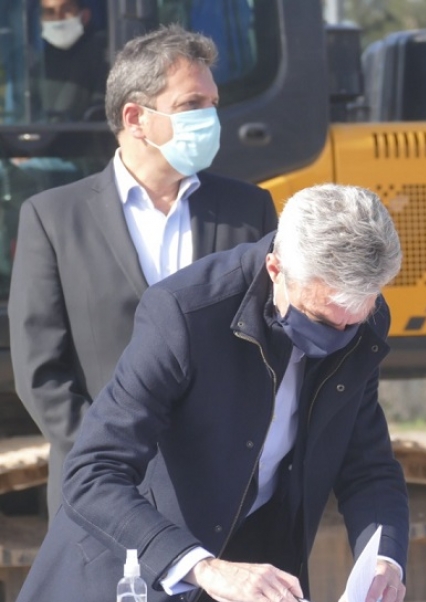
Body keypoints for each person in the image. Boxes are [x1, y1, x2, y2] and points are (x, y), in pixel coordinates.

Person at [13, 183, 410, 602]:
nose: (339, 335)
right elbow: (92, 472)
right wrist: (201, 566)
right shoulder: (186, 313)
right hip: (120, 592)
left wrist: (384, 557)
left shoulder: (360, 314)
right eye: (320, 318)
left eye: (355, 320)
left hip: (254, 595)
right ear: (276, 268)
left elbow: (367, 466)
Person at [9, 25, 278, 525]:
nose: (211, 118)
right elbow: (42, 372)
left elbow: (269, 347)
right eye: (192, 104)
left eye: (213, 103)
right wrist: (110, 456)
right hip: (100, 498)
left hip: (221, 499)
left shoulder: (249, 211)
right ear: (136, 118)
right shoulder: (53, 217)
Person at [37, 0, 108, 121]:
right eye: (50, 12)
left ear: (85, 16)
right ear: (41, 21)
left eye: (66, 10)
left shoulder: (106, 51)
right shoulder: (38, 63)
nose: (58, 18)